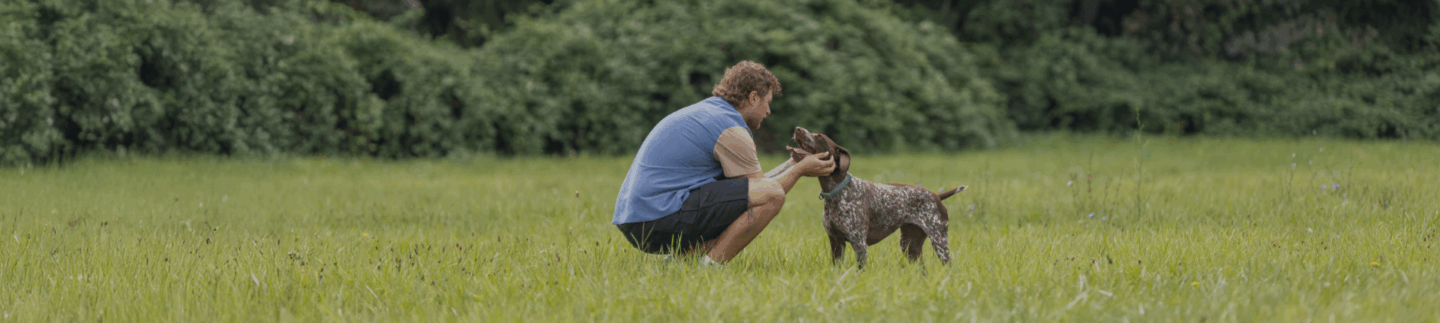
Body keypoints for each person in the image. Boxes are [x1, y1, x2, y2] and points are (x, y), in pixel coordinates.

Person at [613, 61, 835, 266]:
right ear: (754, 97)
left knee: (747, 201)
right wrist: (800, 170)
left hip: (637, 220)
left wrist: (791, 164)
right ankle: (709, 270)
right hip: (656, 218)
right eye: (767, 102)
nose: (768, 111)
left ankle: (677, 265)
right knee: (771, 197)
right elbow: (768, 193)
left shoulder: (711, 113)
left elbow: (755, 188)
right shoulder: (731, 130)